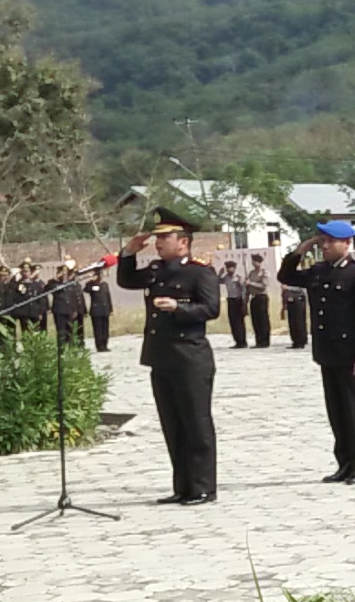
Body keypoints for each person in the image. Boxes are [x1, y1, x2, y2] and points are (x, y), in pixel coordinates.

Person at [117, 208, 220, 505]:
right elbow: (127, 281)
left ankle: (203, 487)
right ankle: (183, 486)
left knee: (196, 424)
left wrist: (179, 308)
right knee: (172, 424)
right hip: (161, 357)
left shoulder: (200, 271)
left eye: (165, 237)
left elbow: (210, 310)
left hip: (190, 357)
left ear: (183, 242)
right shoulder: (156, 269)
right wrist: (129, 253)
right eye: (158, 238)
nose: (159, 243)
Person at [279, 221, 355, 484]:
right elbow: (286, 276)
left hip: (351, 353)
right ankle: (344, 463)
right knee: (336, 411)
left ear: (346, 243)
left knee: (354, 410)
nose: (324, 246)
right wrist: (301, 249)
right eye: (322, 241)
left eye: (329, 241)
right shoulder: (319, 271)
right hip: (328, 352)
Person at [51, 263, 86, 345]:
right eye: (62, 272)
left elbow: (73, 298)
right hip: (59, 311)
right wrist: (55, 279)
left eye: (65, 272)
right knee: (61, 332)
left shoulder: (70, 284)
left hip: (69, 311)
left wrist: (75, 310)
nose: (64, 274)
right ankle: (62, 348)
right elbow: (48, 289)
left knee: (70, 331)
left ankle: (70, 347)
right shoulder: (54, 283)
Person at [84, 265, 114, 351]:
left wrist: (111, 309)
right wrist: (91, 281)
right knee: (98, 330)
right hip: (96, 311)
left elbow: (108, 297)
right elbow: (86, 290)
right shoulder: (91, 285)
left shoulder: (105, 285)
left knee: (105, 329)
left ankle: (105, 345)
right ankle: (99, 346)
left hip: (105, 310)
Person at [245, 254, 272, 347]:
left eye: (255, 261)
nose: (253, 263)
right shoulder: (251, 273)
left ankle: (265, 341)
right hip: (254, 297)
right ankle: (259, 340)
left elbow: (263, 286)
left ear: (259, 262)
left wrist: (251, 283)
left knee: (262, 320)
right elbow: (248, 287)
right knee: (255, 320)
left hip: (262, 297)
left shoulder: (264, 273)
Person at [219, 260, 247, 348]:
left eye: (231, 268)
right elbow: (217, 282)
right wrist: (220, 274)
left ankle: (242, 341)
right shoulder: (226, 277)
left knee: (239, 322)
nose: (229, 270)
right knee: (232, 321)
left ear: (234, 268)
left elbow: (244, 289)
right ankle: (237, 341)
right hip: (231, 300)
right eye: (228, 268)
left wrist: (244, 302)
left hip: (238, 300)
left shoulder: (238, 277)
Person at [282, 274, 309, 349]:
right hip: (290, 300)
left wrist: (288, 288)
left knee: (298, 321)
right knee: (292, 322)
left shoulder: (300, 276)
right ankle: (295, 340)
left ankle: (300, 341)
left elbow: (302, 288)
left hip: (298, 299)